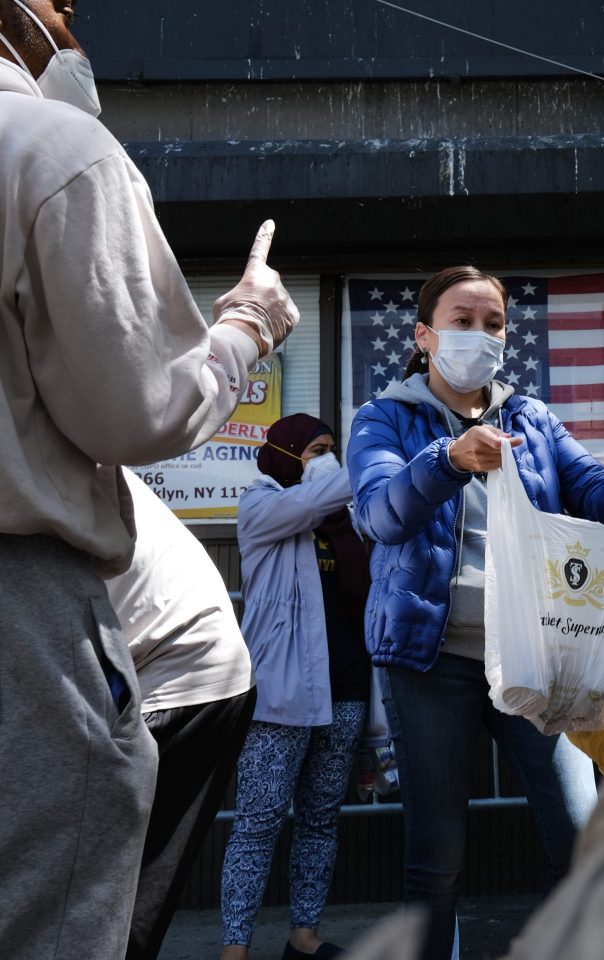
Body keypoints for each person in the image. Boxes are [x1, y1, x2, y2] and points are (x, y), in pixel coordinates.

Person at [0, 0, 299, 954]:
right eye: (59, 4)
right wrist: (245, 327)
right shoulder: (50, 148)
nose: (72, 22)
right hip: (34, 620)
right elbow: (140, 411)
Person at [348, 266, 604, 960]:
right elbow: (379, 515)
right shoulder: (384, 418)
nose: (480, 335)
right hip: (429, 660)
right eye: (462, 321)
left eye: (493, 323)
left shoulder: (530, 416)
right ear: (424, 335)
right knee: (436, 859)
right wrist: (447, 460)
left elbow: (592, 494)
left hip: (532, 652)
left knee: (581, 837)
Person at [220, 415, 372, 960]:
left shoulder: (347, 520)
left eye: (332, 449)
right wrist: (368, 459)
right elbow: (311, 501)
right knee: (258, 821)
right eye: (315, 450)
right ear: (285, 454)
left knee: (320, 819)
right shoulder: (261, 506)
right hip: (280, 694)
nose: (326, 459)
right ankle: (234, 947)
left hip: (347, 686)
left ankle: (303, 936)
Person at [104, 469, 260, 960]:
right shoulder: (73, 454)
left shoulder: (41, 468)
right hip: (202, 665)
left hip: (175, 672)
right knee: (128, 890)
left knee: (104, 885)